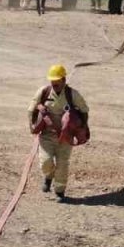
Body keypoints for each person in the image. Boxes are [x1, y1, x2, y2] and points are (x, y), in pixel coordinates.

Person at [28, 64, 89, 202]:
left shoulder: (73, 95)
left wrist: (82, 128)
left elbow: (84, 110)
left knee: (62, 164)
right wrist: (32, 126)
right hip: (47, 136)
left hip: (66, 136)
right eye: (52, 80)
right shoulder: (43, 92)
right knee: (45, 162)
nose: (54, 83)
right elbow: (31, 109)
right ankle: (48, 176)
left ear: (63, 79)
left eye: (57, 80)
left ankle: (60, 192)